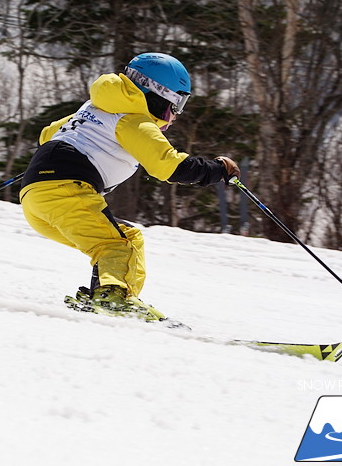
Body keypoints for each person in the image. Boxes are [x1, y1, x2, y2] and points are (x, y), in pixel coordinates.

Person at [19, 52, 240, 321]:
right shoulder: (134, 120)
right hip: (67, 191)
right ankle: (115, 298)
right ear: (156, 95)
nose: (176, 114)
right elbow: (169, 167)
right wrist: (218, 170)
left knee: (125, 237)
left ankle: (102, 296)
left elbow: (47, 134)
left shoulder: (91, 108)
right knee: (116, 244)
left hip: (34, 197)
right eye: (177, 103)